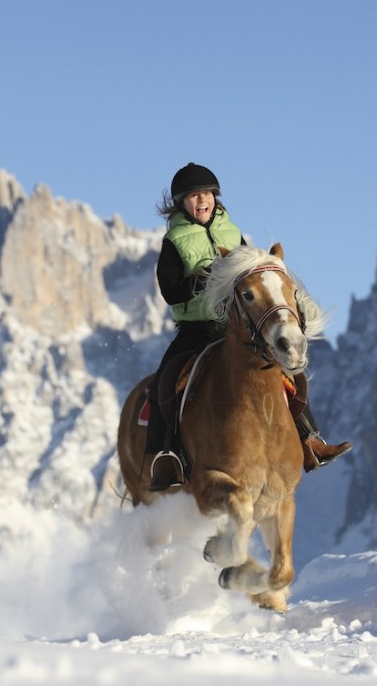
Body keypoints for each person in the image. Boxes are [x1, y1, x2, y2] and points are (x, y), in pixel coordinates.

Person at [146, 162, 351, 491]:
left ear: (216, 199)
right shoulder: (175, 241)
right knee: (165, 380)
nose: (202, 201)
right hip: (197, 327)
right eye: (194, 196)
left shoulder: (232, 231)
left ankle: (310, 439)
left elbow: (248, 272)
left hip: (236, 324)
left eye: (207, 195)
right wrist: (202, 280)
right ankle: (165, 455)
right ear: (181, 204)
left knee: (287, 369)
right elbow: (170, 290)